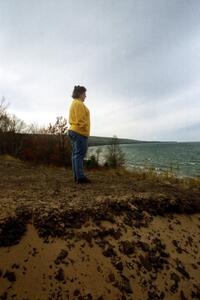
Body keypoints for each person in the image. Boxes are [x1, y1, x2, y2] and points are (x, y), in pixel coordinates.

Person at [67, 85, 91, 184]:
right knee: (79, 155)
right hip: (79, 132)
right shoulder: (79, 104)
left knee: (76, 154)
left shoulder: (74, 103)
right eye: (84, 94)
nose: (85, 96)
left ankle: (77, 176)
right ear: (80, 94)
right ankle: (80, 177)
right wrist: (85, 130)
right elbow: (81, 120)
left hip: (74, 131)